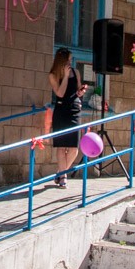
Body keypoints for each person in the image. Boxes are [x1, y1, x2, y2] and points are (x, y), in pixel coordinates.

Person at [45, 48, 87, 188]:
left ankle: (60, 172)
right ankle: (63, 177)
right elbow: (60, 93)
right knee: (62, 146)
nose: (70, 62)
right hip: (61, 111)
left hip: (74, 110)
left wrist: (81, 91)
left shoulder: (76, 72)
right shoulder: (53, 75)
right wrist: (65, 76)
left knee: (74, 149)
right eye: (68, 60)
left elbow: (78, 90)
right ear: (62, 61)